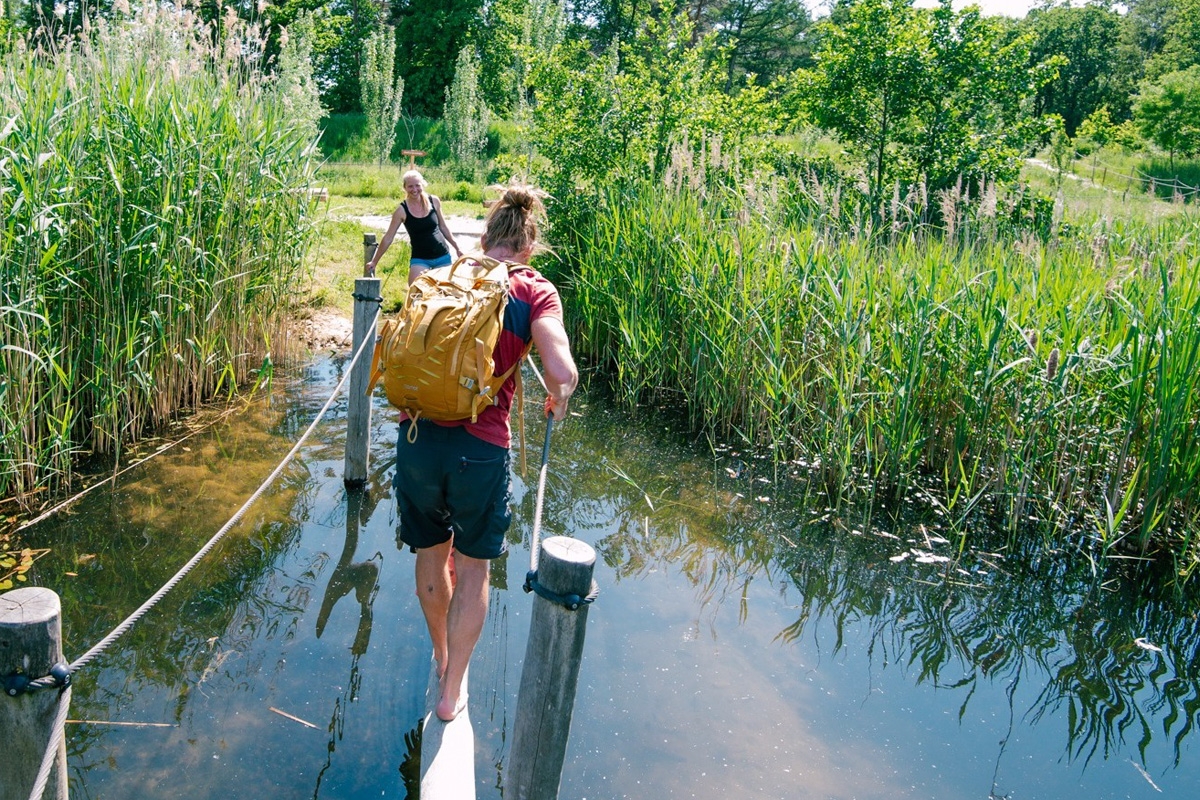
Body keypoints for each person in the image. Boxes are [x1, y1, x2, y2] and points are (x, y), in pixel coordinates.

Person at [392, 184, 578, 722]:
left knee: (431, 555)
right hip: (481, 448)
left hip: (417, 437)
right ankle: (452, 692)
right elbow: (561, 372)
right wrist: (558, 397)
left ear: (488, 235)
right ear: (528, 246)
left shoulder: (445, 274)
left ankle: (441, 655)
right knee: (473, 571)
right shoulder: (534, 290)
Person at [365, 169, 462, 283]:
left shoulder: (434, 201)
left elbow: (443, 227)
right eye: (410, 186)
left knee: (444, 292)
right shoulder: (401, 211)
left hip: (442, 256)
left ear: (423, 185)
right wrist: (375, 261)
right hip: (420, 259)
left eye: (417, 185)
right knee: (415, 291)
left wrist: (457, 248)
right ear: (405, 188)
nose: (414, 190)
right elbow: (388, 238)